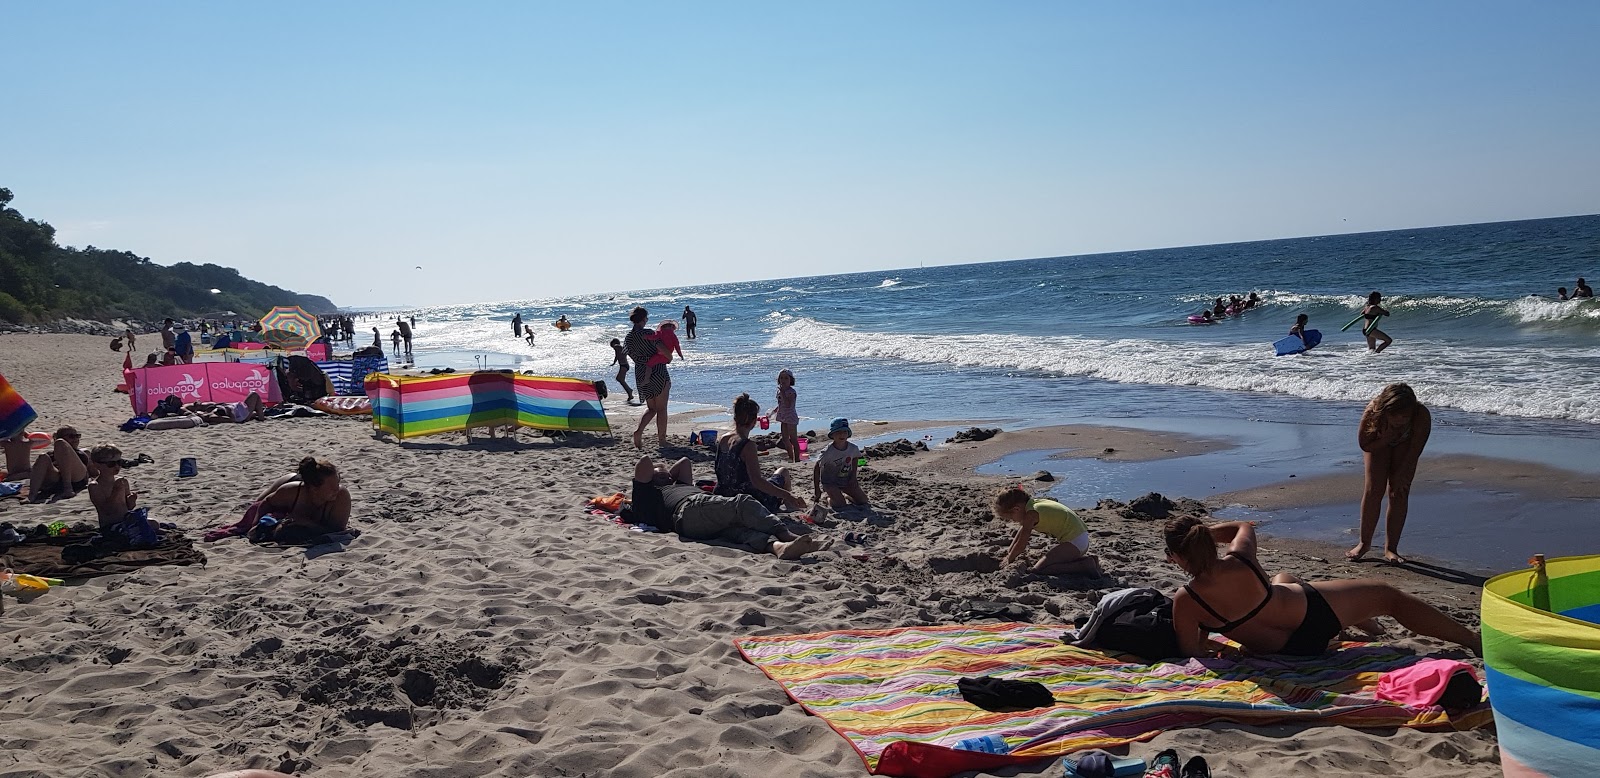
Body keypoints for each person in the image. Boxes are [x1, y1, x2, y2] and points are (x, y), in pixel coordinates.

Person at [1165, 516, 1478, 657]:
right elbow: (1243, 526)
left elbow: (1190, 649)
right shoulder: (1240, 557)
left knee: (1284, 578)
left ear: (1177, 557)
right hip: (1313, 616)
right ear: (1205, 539)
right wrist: (1205, 532)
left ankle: (1361, 621)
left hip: (1295, 650)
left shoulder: (1187, 599)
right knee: (1388, 596)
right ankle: (1472, 641)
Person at [629, 455, 825, 559]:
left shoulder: (675, 486)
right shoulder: (647, 494)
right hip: (691, 508)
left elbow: (685, 463)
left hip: (689, 524)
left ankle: (779, 548)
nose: (668, 475)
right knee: (742, 502)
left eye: (668, 475)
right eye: (661, 474)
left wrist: (667, 476)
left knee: (740, 532)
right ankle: (786, 535)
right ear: (650, 480)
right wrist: (661, 473)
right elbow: (645, 461)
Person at [1348, 383, 1431, 563]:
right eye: (1395, 416)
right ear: (1385, 410)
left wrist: (1402, 473)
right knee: (1373, 490)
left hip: (1406, 444)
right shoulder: (1373, 412)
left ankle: (1391, 548)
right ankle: (1364, 543)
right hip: (1377, 442)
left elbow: (1415, 450)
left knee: (1399, 492)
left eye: (1405, 416)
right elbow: (1365, 444)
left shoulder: (1420, 415)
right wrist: (1385, 438)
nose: (1400, 420)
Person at [715, 393, 806, 512]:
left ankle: (787, 503)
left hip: (723, 494)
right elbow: (757, 482)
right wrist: (786, 495)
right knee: (783, 472)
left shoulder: (723, 439)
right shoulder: (747, 446)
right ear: (754, 421)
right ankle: (789, 504)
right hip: (747, 500)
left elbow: (718, 469)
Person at [993, 486, 1101, 576]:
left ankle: (1084, 566)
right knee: (1050, 561)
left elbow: (1022, 544)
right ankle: (1089, 561)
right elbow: (1021, 531)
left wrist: (1009, 559)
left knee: (1039, 570)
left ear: (1016, 509)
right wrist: (1009, 552)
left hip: (1074, 542)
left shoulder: (1031, 514)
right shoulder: (1033, 504)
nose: (1013, 521)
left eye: (1011, 518)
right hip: (1079, 538)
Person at [251, 457, 352, 544]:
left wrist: (307, 523)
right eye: (331, 486)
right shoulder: (290, 491)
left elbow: (336, 530)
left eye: (337, 483)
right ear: (314, 489)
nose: (336, 489)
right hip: (290, 480)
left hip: (306, 484)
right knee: (256, 504)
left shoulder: (340, 496)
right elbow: (265, 503)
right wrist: (255, 525)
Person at [86, 444, 159, 535]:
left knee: (153, 523)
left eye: (119, 462)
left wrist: (131, 500)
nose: (117, 466)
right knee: (150, 526)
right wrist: (116, 491)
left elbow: (129, 507)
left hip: (126, 521)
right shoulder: (95, 486)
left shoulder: (122, 482)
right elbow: (107, 510)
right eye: (111, 464)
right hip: (110, 526)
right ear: (97, 465)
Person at [624, 307, 671, 448]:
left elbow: (629, 354)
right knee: (662, 408)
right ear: (643, 319)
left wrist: (642, 361)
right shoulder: (649, 333)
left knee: (651, 408)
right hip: (657, 370)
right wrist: (669, 357)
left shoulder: (629, 337)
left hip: (640, 371)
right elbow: (662, 348)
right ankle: (662, 440)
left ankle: (638, 432)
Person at [813, 418, 869, 508]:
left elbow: (855, 458)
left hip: (845, 480)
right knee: (840, 505)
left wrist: (853, 477)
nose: (842, 434)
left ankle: (847, 496)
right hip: (830, 482)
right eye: (838, 432)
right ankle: (828, 498)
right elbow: (817, 467)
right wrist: (817, 489)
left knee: (863, 500)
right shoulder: (828, 452)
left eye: (844, 432)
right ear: (833, 435)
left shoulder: (853, 448)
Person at [29, 426, 93, 503]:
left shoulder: (83, 453)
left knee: (60, 443)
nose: (75, 439)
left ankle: (68, 488)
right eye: (71, 436)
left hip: (76, 479)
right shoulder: (51, 454)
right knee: (43, 457)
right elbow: (37, 471)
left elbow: (94, 472)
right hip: (56, 479)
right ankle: (32, 495)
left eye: (77, 436)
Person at [642, 320, 684, 385]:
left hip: (660, 354)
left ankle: (646, 379)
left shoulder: (660, 333)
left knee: (649, 365)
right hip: (667, 355)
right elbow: (677, 346)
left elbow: (653, 337)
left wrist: (646, 337)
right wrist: (680, 355)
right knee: (663, 363)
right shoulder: (673, 335)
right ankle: (667, 361)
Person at [774, 369, 800, 462]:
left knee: (793, 439)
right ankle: (790, 456)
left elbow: (788, 404)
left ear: (790, 380)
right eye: (781, 378)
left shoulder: (791, 392)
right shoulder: (780, 391)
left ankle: (797, 458)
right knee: (785, 439)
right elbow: (781, 404)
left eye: (786, 378)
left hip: (791, 417)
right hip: (783, 416)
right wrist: (774, 411)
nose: (783, 380)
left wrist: (783, 393)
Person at [610, 338, 634, 404]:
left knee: (620, 379)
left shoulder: (618, 346)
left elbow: (622, 350)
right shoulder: (617, 349)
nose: (613, 348)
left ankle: (629, 392)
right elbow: (616, 356)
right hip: (623, 365)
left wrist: (615, 345)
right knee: (619, 379)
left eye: (612, 346)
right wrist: (614, 363)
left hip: (624, 365)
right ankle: (629, 391)